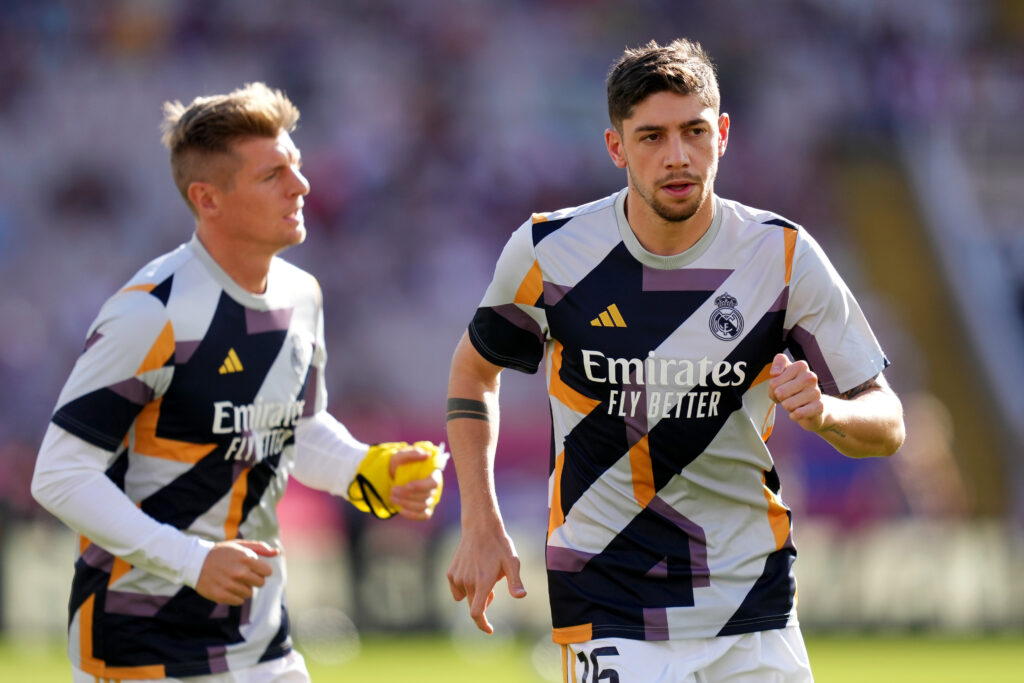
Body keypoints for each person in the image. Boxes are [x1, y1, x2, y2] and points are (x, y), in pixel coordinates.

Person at [444, 39, 905, 682]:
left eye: (693, 132)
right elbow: (473, 373)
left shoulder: (783, 256)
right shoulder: (551, 252)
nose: (677, 157)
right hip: (607, 601)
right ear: (616, 148)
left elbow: (887, 421)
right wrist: (481, 520)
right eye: (652, 137)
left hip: (753, 604)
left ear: (722, 133)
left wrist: (827, 413)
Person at [31, 82, 445, 682]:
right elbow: (60, 475)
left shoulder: (302, 296)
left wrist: (364, 468)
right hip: (141, 645)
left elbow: (293, 429)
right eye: (272, 175)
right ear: (209, 198)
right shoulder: (152, 313)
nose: (300, 186)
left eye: (296, 167)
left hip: (261, 641)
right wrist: (191, 559)